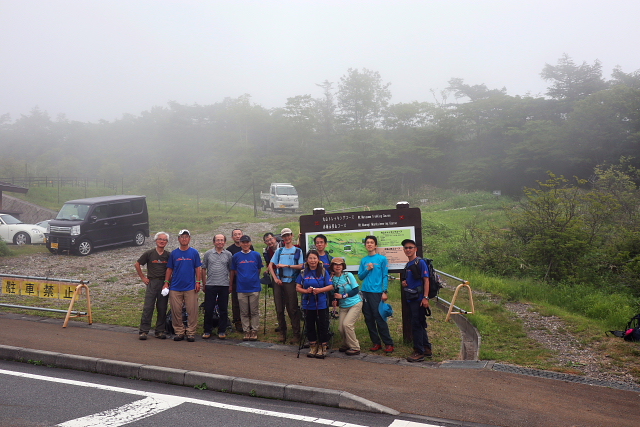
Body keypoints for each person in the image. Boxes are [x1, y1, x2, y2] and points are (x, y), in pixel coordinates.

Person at [162, 229, 202, 342]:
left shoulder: (194, 252)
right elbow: (170, 269)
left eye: (186, 237)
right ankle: (179, 332)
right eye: (182, 237)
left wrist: (198, 282)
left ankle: (191, 332)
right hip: (175, 287)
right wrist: (166, 283)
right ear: (179, 239)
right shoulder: (174, 253)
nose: (184, 239)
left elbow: (197, 268)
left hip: (190, 287)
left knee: (192, 310)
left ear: (189, 239)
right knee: (176, 310)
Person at [358, 235, 394, 353]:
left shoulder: (382, 259)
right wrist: (367, 269)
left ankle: (388, 343)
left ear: (375, 245)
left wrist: (385, 291)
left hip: (377, 292)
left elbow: (385, 276)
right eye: (367, 242)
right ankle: (376, 343)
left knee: (380, 317)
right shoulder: (364, 260)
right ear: (365, 245)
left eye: (371, 242)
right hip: (365, 292)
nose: (369, 244)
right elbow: (360, 276)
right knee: (368, 318)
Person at [268, 227, 303, 343]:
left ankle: (296, 334)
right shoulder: (279, 251)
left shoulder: (298, 251)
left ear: (292, 236)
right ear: (282, 238)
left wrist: (287, 266)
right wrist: (275, 278)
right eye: (284, 236)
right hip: (279, 282)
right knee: (279, 308)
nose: (287, 238)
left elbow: (301, 266)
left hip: (291, 282)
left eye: (288, 235)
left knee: (292, 308)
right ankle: (283, 333)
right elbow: (270, 266)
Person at [296, 250, 333, 359]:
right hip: (308, 303)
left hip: (321, 303)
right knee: (310, 325)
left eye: (314, 258)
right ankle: (313, 346)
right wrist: (306, 291)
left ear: (318, 259)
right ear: (307, 260)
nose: (312, 260)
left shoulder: (323, 271)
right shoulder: (303, 272)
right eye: (310, 258)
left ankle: (323, 347)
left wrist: (320, 290)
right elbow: (298, 287)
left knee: (322, 325)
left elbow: (330, 286)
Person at [401, 239, 433, 362]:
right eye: (406, 248)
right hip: (412, 299)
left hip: (419, 300)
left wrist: (425, 298)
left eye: (410, 247)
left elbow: (426, 280)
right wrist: (405, 284)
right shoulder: (408, 264)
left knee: (416, 325)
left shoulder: (420, 263)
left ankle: (419, 352)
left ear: (415, 249)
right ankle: (426, 348)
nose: (408, 250)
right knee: (419, 324)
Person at [135, 231, 170, 340]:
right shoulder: (149, 253)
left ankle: (159, 331)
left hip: (163, 284)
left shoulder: (168, 255)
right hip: (152, 283)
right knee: (148, 307)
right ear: (156, 240)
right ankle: (144, 331)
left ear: (167, 242)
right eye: (160, 239)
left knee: (162, 308)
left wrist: (167, 283)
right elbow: (137, 264)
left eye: (164, 240)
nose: (162, 241)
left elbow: (171, 269)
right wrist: (143, 277)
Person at [230, 235, 263, 341]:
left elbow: (258, 269)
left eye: (247, 242)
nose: (245, 244)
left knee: (254, 311)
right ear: (240, 244)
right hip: (241, 288)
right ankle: (246, 330)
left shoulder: (256, 255)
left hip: (254, 287)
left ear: (250, 243)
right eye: (243, 242)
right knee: (243, 311)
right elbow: (234, 271)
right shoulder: (236, 256)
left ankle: (254, 330)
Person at [201, 234, 233, 340]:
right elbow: (203, 269)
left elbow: (231, 270)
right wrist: (204, 283)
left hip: (224, 285)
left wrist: (230, 284)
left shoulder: (228, 254)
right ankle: (207, 330)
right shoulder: (208, 254)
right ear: (214, 242)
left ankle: (222, 330)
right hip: (210, 285)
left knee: (223, 309)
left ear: (225, 242)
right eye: (218, 240)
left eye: (222, 240)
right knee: (209, 309)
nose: (220, 242)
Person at [330, 257, 362, 355]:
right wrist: (334, 300)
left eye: (340, 265)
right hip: (343, 306)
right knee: (340, 328)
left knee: (347, 324)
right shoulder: (332, 279)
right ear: (332, 266)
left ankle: (355, 347)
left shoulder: (348, 275)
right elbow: (333, 293)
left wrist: (343, 296)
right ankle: (346, 344)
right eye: (335, 264)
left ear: (343, 266)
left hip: (355, 303)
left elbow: (356, 289)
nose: (338, 266)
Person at [227, 228, 254, 333]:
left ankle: (249, 322)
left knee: (250, 302)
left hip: (248, 280)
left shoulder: (249, 247)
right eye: (235, 235)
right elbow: (230, 267)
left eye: (239, 234)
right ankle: (238, 322)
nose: (237, 236)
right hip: (235, 281)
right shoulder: (230, 250)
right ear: (232, 237)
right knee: (236, 302)